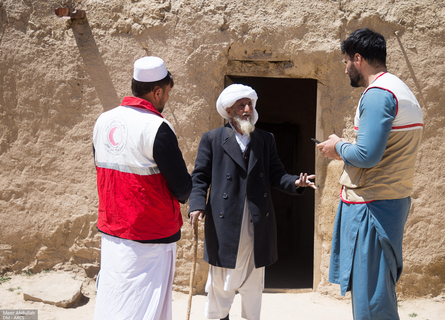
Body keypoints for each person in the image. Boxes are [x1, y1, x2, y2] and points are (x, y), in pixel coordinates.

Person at [318, 28, 423, 319]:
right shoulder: (401, 90)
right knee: (377, 295)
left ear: (358, 58)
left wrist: (337, 146)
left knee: (371, 303)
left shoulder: (378, 94)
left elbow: (367, 155)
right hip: (387, 202)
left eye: (346, 62)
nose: (345, 68)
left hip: (371, 209)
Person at [189, 84, 316, 320]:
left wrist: (296, 183)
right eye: (241, 105)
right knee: (220, 287)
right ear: (229, 110)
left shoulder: (265, 139)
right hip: (224, 224)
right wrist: (196, 205)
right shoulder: (213, 139)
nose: (248, 109)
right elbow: (200, 177)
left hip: (256, 223)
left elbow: (276, 174)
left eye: (250, 104)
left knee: (253, 287)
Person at [92, 56, 192, 320]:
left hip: (113, 233)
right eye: (167, 93)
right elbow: (182, 186)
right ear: (157, 92)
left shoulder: (103, 121)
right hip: (150, 239)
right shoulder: (156, 127)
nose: (167, 99)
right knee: (145, 308)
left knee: (114, 301)